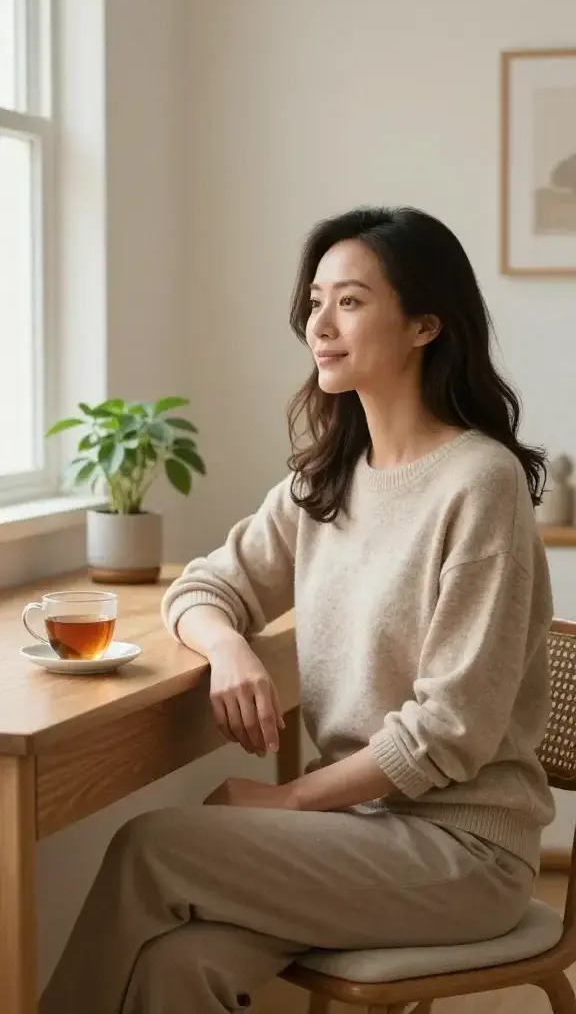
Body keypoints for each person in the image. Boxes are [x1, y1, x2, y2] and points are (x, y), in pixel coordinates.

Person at [41, 207, 555, 1014]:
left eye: (350, 301)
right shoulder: (327, 481)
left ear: (425, 324)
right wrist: (232, 648)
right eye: (315, 300)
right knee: (181, 967)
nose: (319, 323)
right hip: (353, 834)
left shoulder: (477, 485)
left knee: (151, 847)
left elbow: (450, 732)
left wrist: (284, 801)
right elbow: (203, 588)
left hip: (461, 851)